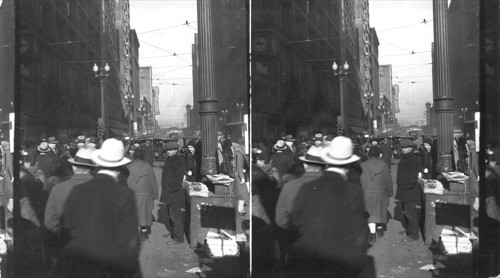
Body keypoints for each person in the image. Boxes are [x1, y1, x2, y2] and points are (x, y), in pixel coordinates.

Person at [284, 136, 373, 277]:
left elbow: (294, 222)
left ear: (327, 162)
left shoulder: (307, 187)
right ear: (349, 166)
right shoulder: (353, 191)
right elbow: (360, 233)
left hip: (309, 261)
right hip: (339, 263)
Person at [53, 138, 141, 277]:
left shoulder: (77, 189)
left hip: (80, 264)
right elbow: (131, 240)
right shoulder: (124, 193)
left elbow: (66, 226)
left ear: (98, 164)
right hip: (109, 266)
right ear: (119, 168)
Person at [44, 147, 96, 234]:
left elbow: (50, 223)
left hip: (68, 241)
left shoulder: (58, 189)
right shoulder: (104, 188)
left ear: (73, 167)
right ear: (93, 169)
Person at [360, 147, 393, 245]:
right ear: (379, 155)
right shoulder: (384, 165)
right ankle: (380, 230)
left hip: (366, 193)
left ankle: (372, 235)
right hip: (381, 193)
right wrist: (390, 192)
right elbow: (388, 181)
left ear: (369, 154)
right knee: (380, 211)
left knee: (370, 214)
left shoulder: (362, 165)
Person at [127, 148, 159, 241]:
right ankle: (144, 233)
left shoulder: (129, 167)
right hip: (146, 194)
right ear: (143, 156)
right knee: (145, 214)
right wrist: (155, 194)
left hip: (132, 193)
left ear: (134, 156)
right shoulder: (148, 166)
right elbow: (153, 181)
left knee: (133, 213)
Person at [395, 138, 422, 242]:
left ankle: (414, 235)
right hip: (404, 190)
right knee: (406, 212)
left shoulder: (413, 159)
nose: (403, 149)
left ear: (411, 148)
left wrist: (406, 186)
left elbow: (413, 177)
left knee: (411, 214)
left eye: (405, 148)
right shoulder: (405, 158)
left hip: (409, 191)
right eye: (402, 147)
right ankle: (408, 230)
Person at [161, 141, 187, 245]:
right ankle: (174, 233)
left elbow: (178, 179)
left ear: (175, 150)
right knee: (171, 215)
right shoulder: (170, 159)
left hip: (174, 193)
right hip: (169, 193)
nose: (168, 152)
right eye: (167, 150)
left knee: (175, 216)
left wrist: (170, 189)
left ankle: (178, 238)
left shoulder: (178, 161)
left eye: (170, 150)